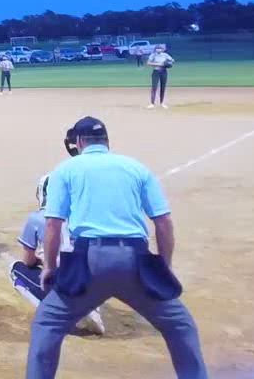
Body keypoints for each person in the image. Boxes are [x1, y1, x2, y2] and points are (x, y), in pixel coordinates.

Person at [26, 116, 206, 379]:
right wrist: (164, 266)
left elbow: (53, 224)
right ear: (107, 141)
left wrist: (50, 267)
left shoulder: (65, 170)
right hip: (135, 260)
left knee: (47, 324)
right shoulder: (136, 168)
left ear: (79, 142)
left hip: (89, 261)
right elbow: (163, 222)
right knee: (180, 326)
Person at [10, 174, 105, 335]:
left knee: (15, 269)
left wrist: (41, 261)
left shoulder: (36, 218)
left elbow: (28, 261)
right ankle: (92, 307)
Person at [146, 44, 175, 109]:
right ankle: (152, 103)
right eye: (157, 48)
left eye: (160, 48)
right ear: (155, 49)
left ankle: (162, 103)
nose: (158, 50)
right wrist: (159, 64)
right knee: (154, 87)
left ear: (162, 49)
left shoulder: (165, 55)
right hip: (156, 72)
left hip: (164, 72)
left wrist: (168, 63)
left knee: (163, 87)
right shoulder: (153, 55)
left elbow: (172, 60)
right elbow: (148, 63)